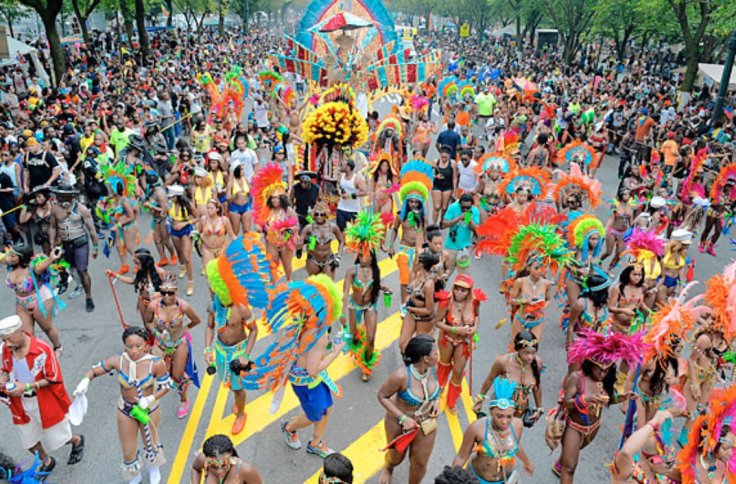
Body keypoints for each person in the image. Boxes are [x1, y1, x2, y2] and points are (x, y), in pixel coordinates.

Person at [72, 326, 168, 484]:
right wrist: (85, 381)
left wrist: (150, 398)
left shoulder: (156, 363)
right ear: (124, 345)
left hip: (148, 409)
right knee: (128, 450)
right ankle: (134, 474)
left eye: (138, 346)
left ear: (146, 344)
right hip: (125, 410)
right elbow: (95, 370)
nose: (134, 350)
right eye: (129, 346)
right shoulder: (118, 360)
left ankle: (153, 468)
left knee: (150, 443)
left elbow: (166, 386)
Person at [0, 315, 85, 478]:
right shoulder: (6, 349)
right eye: (4, 340)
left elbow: (53, 378)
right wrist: (3, 377)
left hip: (44, 401)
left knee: (58, 438)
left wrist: (27, 386)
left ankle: (76, 440)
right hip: (20, 403)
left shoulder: (42, 349)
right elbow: (5, 368)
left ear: (21, 332)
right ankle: (47, 461)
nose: (7, 344)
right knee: (29, 441)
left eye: (9, 339)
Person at [553, 330, 641, 482]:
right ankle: (564, 465)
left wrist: (624, 397)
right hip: (574, 426)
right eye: (598, 369)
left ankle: (561, 462)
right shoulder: (577, 378)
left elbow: (609, 399)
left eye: (606, 370)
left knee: (572, 455)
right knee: (570, 467)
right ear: (589, 365)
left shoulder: (605, 381)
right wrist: (586, 398)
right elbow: (566, 402)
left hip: (593, 428)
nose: (602, 373)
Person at [377, 334, 440, 484]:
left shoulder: (434, 369)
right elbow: (382, 396)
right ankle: (388, 467)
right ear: (426, 358)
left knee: (420, 463)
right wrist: (403, 418)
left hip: (426, 422)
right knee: (396, 457)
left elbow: (437, 389)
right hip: (399, 423)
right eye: (436, 353)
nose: (439, 355)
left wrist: (436, 401)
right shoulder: (401, 376)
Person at [452, 377, 534, 483]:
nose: (504, 421)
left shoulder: (518, 425)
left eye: (509, 416)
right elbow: (461, 457)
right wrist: (451, 478)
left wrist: (527, 462)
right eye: (499, 416)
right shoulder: (476, 428)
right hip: (477, 480)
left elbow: (516, 445)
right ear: (491, 411)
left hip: (504, 480)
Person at [146, 280, 201, 419]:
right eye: (163, 292)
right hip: (161, 344)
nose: (166, 296)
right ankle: (147, 402)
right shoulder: (154, 306)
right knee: (155, 375)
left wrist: (184, 330)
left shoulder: (183, 307)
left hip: (178, 342)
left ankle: (183, 400)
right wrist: (156, 333)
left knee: (177, 375)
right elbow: (148, 322)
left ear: (175, 292)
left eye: (170, 293)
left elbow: (196, 320)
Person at [2, 242, 64, 354]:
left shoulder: (33, 267)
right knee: (27, 333)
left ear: (21, 257)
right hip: (21, 304)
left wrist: (51, 258)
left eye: (12, 255)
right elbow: (3, 258)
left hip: (39, 302)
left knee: (47, 328)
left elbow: (42, 266)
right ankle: (38, 353)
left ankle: (57, 347)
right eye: (9, 255)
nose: (9, 257)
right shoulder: (11, 265)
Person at [473, 331, 544, 426]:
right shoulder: (503, 362)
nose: (530, 357)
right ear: (517, 350)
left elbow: (537, 385)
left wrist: (539, 408)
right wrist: (480, 400)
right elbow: (490, 379)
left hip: (520, 410)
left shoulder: (537, 363)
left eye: (533, 353)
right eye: (526, 353)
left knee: (514, 437)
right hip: (501, 410)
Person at [435, 274, 482, 414]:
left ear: (469, 291)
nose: (459, 293)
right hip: (447, 338)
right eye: (457, 289)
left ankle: (452, 400)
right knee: (444, 364)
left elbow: (477, 316)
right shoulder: (446, 302)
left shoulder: (474, 302)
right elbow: (437, 322)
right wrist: (456, 329)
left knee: (458, 370)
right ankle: (438, 389)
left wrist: (474, 328)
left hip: (464, 341)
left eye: (464, 290)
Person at [48, 185, 98, 312]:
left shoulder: (82, 209)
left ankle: (89, 297)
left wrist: (96, 246)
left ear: (71, 196)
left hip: (80, 242)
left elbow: (92, 229)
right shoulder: (55, 209)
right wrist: (52, 243)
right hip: (66, 243)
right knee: (71, 267)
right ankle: (79, 286)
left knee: (82, 270)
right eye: (59, 195)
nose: (59, 198)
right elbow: (53, 227)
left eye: (62, 195)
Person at [399, 251, 438, 353]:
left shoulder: (428, 284)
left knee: (421, 349)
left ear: (421, 264)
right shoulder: (416, 275)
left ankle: (420, 368)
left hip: (423, 318)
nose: (413, 262)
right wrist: (408, 299)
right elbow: (409, 291)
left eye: (416, 260)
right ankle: (409, 366)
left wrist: (411, 308)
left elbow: (429, 310)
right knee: (403, 344)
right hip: (411, 313)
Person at [297, 200, 344, 279]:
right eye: (316, 214)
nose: (319, 216)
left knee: (329, 285)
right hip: (313, 260)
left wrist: (338, 258)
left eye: (322, 214)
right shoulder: (309, 228)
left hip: (328, 259)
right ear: (313, 215)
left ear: (326, 215)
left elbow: (342, 241)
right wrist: (303, 242)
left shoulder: (332, 227)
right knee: (314, 285)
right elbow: (298, 244)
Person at [190, 434, 263, 484]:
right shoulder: (202, 459)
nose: (219, 471)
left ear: (231, 456)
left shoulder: (246, 471)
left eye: (224, 465)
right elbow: (195, 468)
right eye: (213, 466)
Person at [167, 185, 196, 295]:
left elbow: (197, 218)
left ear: (177, 197)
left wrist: (184, 223)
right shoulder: (170, 204)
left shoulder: (188, 205)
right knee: (179, 252)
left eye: (172, 197)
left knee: (187, 257)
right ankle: (182, 266)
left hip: (185, 231)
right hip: (174, 231)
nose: (170, 198)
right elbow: (165, 212)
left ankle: (190, 282)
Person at [442, 194, 480, 276]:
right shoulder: (453, 207)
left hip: (465, 248)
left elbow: (478, 231)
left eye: (468, 208)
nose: (465, 209)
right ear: (459, 204)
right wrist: (459, 218)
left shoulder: (475, 211)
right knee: (444, 274)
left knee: (464, 277)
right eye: (463, 207)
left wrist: (470, 221)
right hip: (451, 246)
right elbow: (443, 224)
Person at [197, 199, 235, 276]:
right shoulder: (203, 219)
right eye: (207, 208)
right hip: (207, 249)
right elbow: (198, 232)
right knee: (210, 275)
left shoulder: (224, 220)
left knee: (223, 274)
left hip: (222, 248)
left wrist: (241, 244)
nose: (209, 210)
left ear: (217, 209)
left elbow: (232, 235)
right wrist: (196, 236)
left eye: (211, 208)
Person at [336, 159, 368, 231]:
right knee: (341, 231)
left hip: (354, 210)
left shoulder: (357, 178)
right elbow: (338, 185)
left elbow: (365, 192)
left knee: (355, 234)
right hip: (341, 208)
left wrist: (350, 195)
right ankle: (343, 242)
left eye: (342, 165)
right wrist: (339, 191)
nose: (340, 167)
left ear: (348, 167)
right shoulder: (341, 176)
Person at [431, 146, 456, 224]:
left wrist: (454, 191)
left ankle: (442, 221)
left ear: (449, 156)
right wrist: (436, 176)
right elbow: (430, 175)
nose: (444, 159)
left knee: (444, 207)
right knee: (437, 206)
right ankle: (434, 224)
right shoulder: (435, 162)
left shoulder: (452, 164)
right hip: (437, 186)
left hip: (448, 187)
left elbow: (454, 178)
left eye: (445, 157)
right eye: (442, 157)